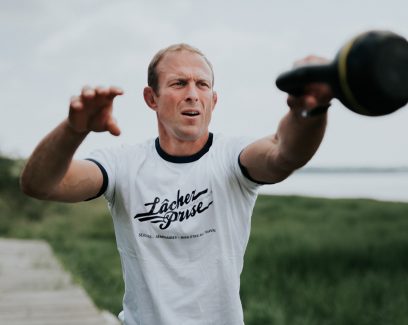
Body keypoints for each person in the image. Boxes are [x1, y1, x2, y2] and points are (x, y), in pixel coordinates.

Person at [20, 43, 332, 324]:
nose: (193, 94)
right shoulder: (123, 164)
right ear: (151, 98)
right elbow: (41, 185)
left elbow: (284, 155)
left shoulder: (232, 156)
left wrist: (310, 108)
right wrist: (74, 130)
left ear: (213, 99)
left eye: (202, 84)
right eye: (179, 83)